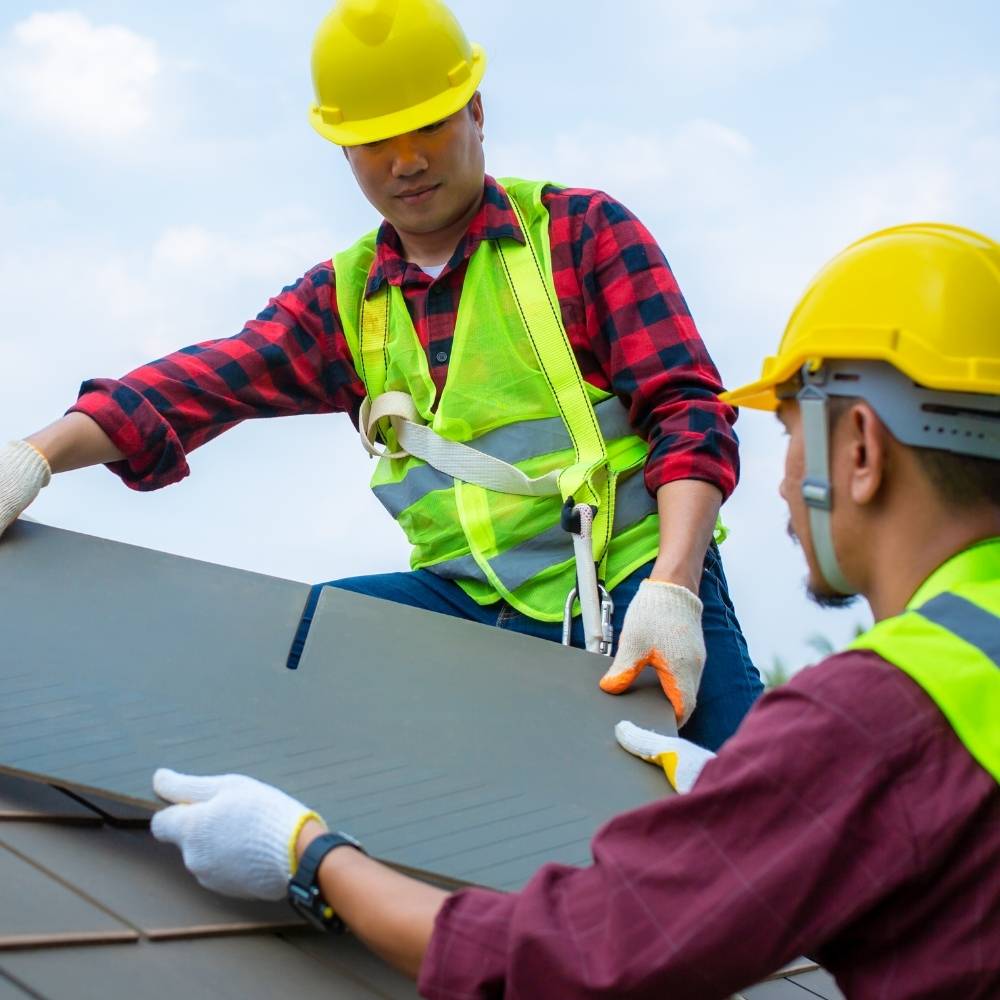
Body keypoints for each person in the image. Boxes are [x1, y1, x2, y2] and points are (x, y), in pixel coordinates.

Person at [150, 223, 1000, 998]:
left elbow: (571, 956)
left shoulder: (880, 715)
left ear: (858, 450)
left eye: (787, 430)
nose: (779, 477)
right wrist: (769, 807)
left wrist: (310, 857)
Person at [0, 0, 761, 750]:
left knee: (763, 804)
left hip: (632, 580)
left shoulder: (580, 234)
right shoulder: (342, 300)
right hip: (466, 602)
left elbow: (689, 413)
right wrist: (35, 456)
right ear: (343, 152)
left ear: (477, 111)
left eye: (428, 123)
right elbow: (197, 385)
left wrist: (673, 587)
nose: (407, 161)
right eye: (374, 139)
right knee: (304, 651)